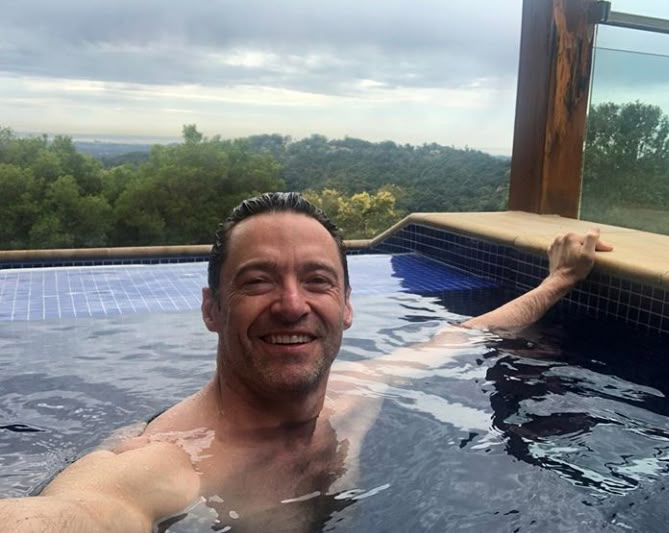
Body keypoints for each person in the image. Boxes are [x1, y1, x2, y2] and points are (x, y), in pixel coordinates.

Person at [0, 192, 612, 532]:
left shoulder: (354, 392)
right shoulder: (164, 463)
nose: (292, 305)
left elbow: (459, 338)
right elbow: (76, 515)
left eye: (316, 281)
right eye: (258, 281)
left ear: (346, 306)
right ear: (212, 309)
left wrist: (559, 280)